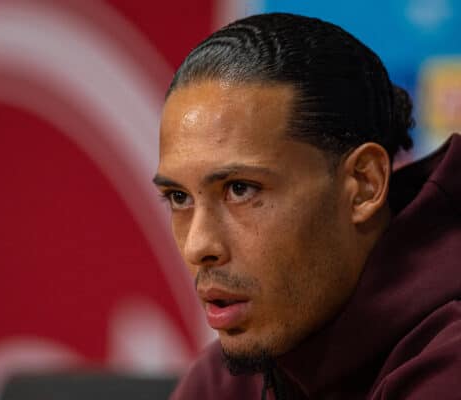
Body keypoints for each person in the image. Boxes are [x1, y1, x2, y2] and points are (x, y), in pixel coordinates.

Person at [153, 13, 461, 399]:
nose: (198, 247)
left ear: (364, 184)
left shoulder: (449, 366)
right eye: (179, 198)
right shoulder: (224, 380)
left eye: (241, 189)